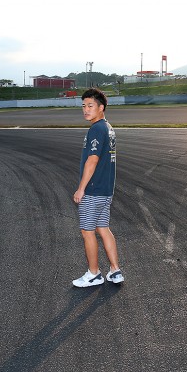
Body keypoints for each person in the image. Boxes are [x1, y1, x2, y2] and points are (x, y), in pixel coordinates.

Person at [72, 88, 124, 287]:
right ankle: (115, 270)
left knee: (87, 231)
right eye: (83, 106)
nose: (86, 110)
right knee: (103, 228)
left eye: (90, 105)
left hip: (93, 191)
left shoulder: (96, 129)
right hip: (106, 189)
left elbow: (92, 160)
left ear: (101, 107)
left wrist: (81, 188)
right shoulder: (108, 127)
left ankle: (94, 274)